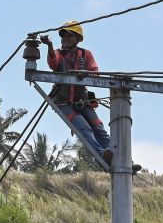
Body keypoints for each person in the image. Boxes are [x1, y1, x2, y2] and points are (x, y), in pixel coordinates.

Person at [41, 20, 115, 164]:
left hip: (82, 101)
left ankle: (121, 157)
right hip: (63, 102)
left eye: (70, 36)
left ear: (78, 39)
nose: (65, 39)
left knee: (99, 127)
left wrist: (85, 73)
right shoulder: (58, 54)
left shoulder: (85, 55)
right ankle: (101, 154)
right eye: (63, 36)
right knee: (83, 127)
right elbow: (53, 63)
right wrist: (49, 45)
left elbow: (95, 73)